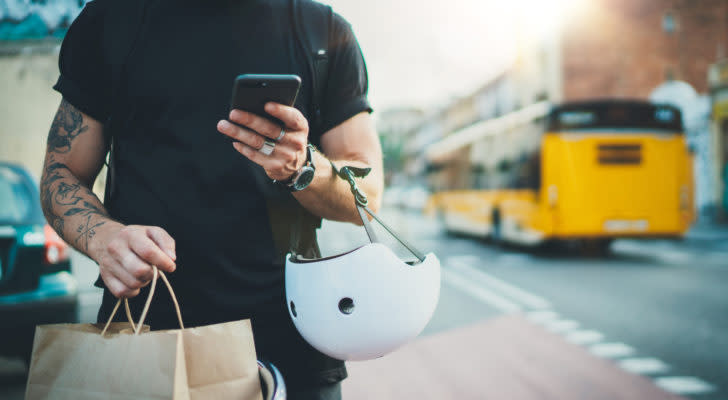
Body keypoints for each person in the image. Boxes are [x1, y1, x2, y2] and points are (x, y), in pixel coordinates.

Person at [39, 0, 383, 398]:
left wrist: (303, 167)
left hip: (293, 346)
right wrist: (103, 239)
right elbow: (60, 173)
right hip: (147, 340)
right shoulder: (112, 19)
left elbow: (368, 197)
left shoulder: (323, 31)